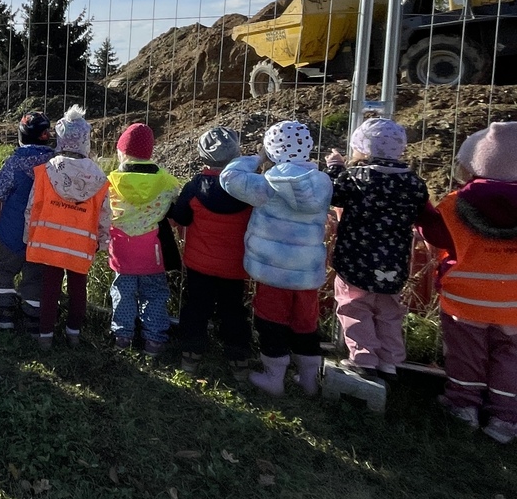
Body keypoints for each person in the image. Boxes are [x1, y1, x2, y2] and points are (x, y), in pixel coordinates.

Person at [419, 122, 517, 444]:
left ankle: (463, 406)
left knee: (466, 353)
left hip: (467, 299)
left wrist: (422, 212)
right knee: (510, 357)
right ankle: (505, 418)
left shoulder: (456, 203)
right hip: (514, 304)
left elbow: (435, 234)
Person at [220, 121, 333, 396]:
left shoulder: (267, 185)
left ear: (272, 150)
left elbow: (229, 178)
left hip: (273, 273)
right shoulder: (323, 183)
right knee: (306, 325)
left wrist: (257, 158)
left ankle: (274, 378)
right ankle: (309, 380)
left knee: (271, 322)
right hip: (307, 273)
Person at [324, 118, 431, 379]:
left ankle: (363, 359)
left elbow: (332, 193)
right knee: (389, 312)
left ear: (362, 148)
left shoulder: (356, 177)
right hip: (394, 262)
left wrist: (335, 168)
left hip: (355, 260)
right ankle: (389, 362)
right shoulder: (414, 183)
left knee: (354, 307)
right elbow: (420, 209)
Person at [168, 126, 254, 376]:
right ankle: (238, 360)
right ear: (236, 154)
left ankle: (190, 356)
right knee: (233, 310)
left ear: (202, 155)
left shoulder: (195, 187)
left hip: (200, 264)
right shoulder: (248, 187)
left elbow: (181, 218)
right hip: (235, 266)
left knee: (196, 307)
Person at [23, 105, 110, 350]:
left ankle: (45, 336)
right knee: (78, 289)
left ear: (61, 138)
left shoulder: (47, 170)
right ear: (85, 140)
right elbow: (104, 214)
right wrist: (103, 241)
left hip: (49, 242)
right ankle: (73, 333)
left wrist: (29, 235)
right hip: (81, 246)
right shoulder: (99, 177)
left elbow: (33, 206)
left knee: (49, 289)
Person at [107, 123, 181, 356]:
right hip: (153, 250)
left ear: (121, 151)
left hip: (121, 249)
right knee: (155, 294)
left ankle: (122, 337)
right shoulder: (167, 181)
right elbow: (174, 210)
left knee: (123, 292)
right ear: (150, 151)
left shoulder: (111, 182)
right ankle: (154, 340)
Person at [0, 112, 57, 332]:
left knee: (5, 272)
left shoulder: (15, 162)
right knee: (35, 278)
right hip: (42, 234)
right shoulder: (55, 164)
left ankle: (4, 314)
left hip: (12, 231)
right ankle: (32, 320)